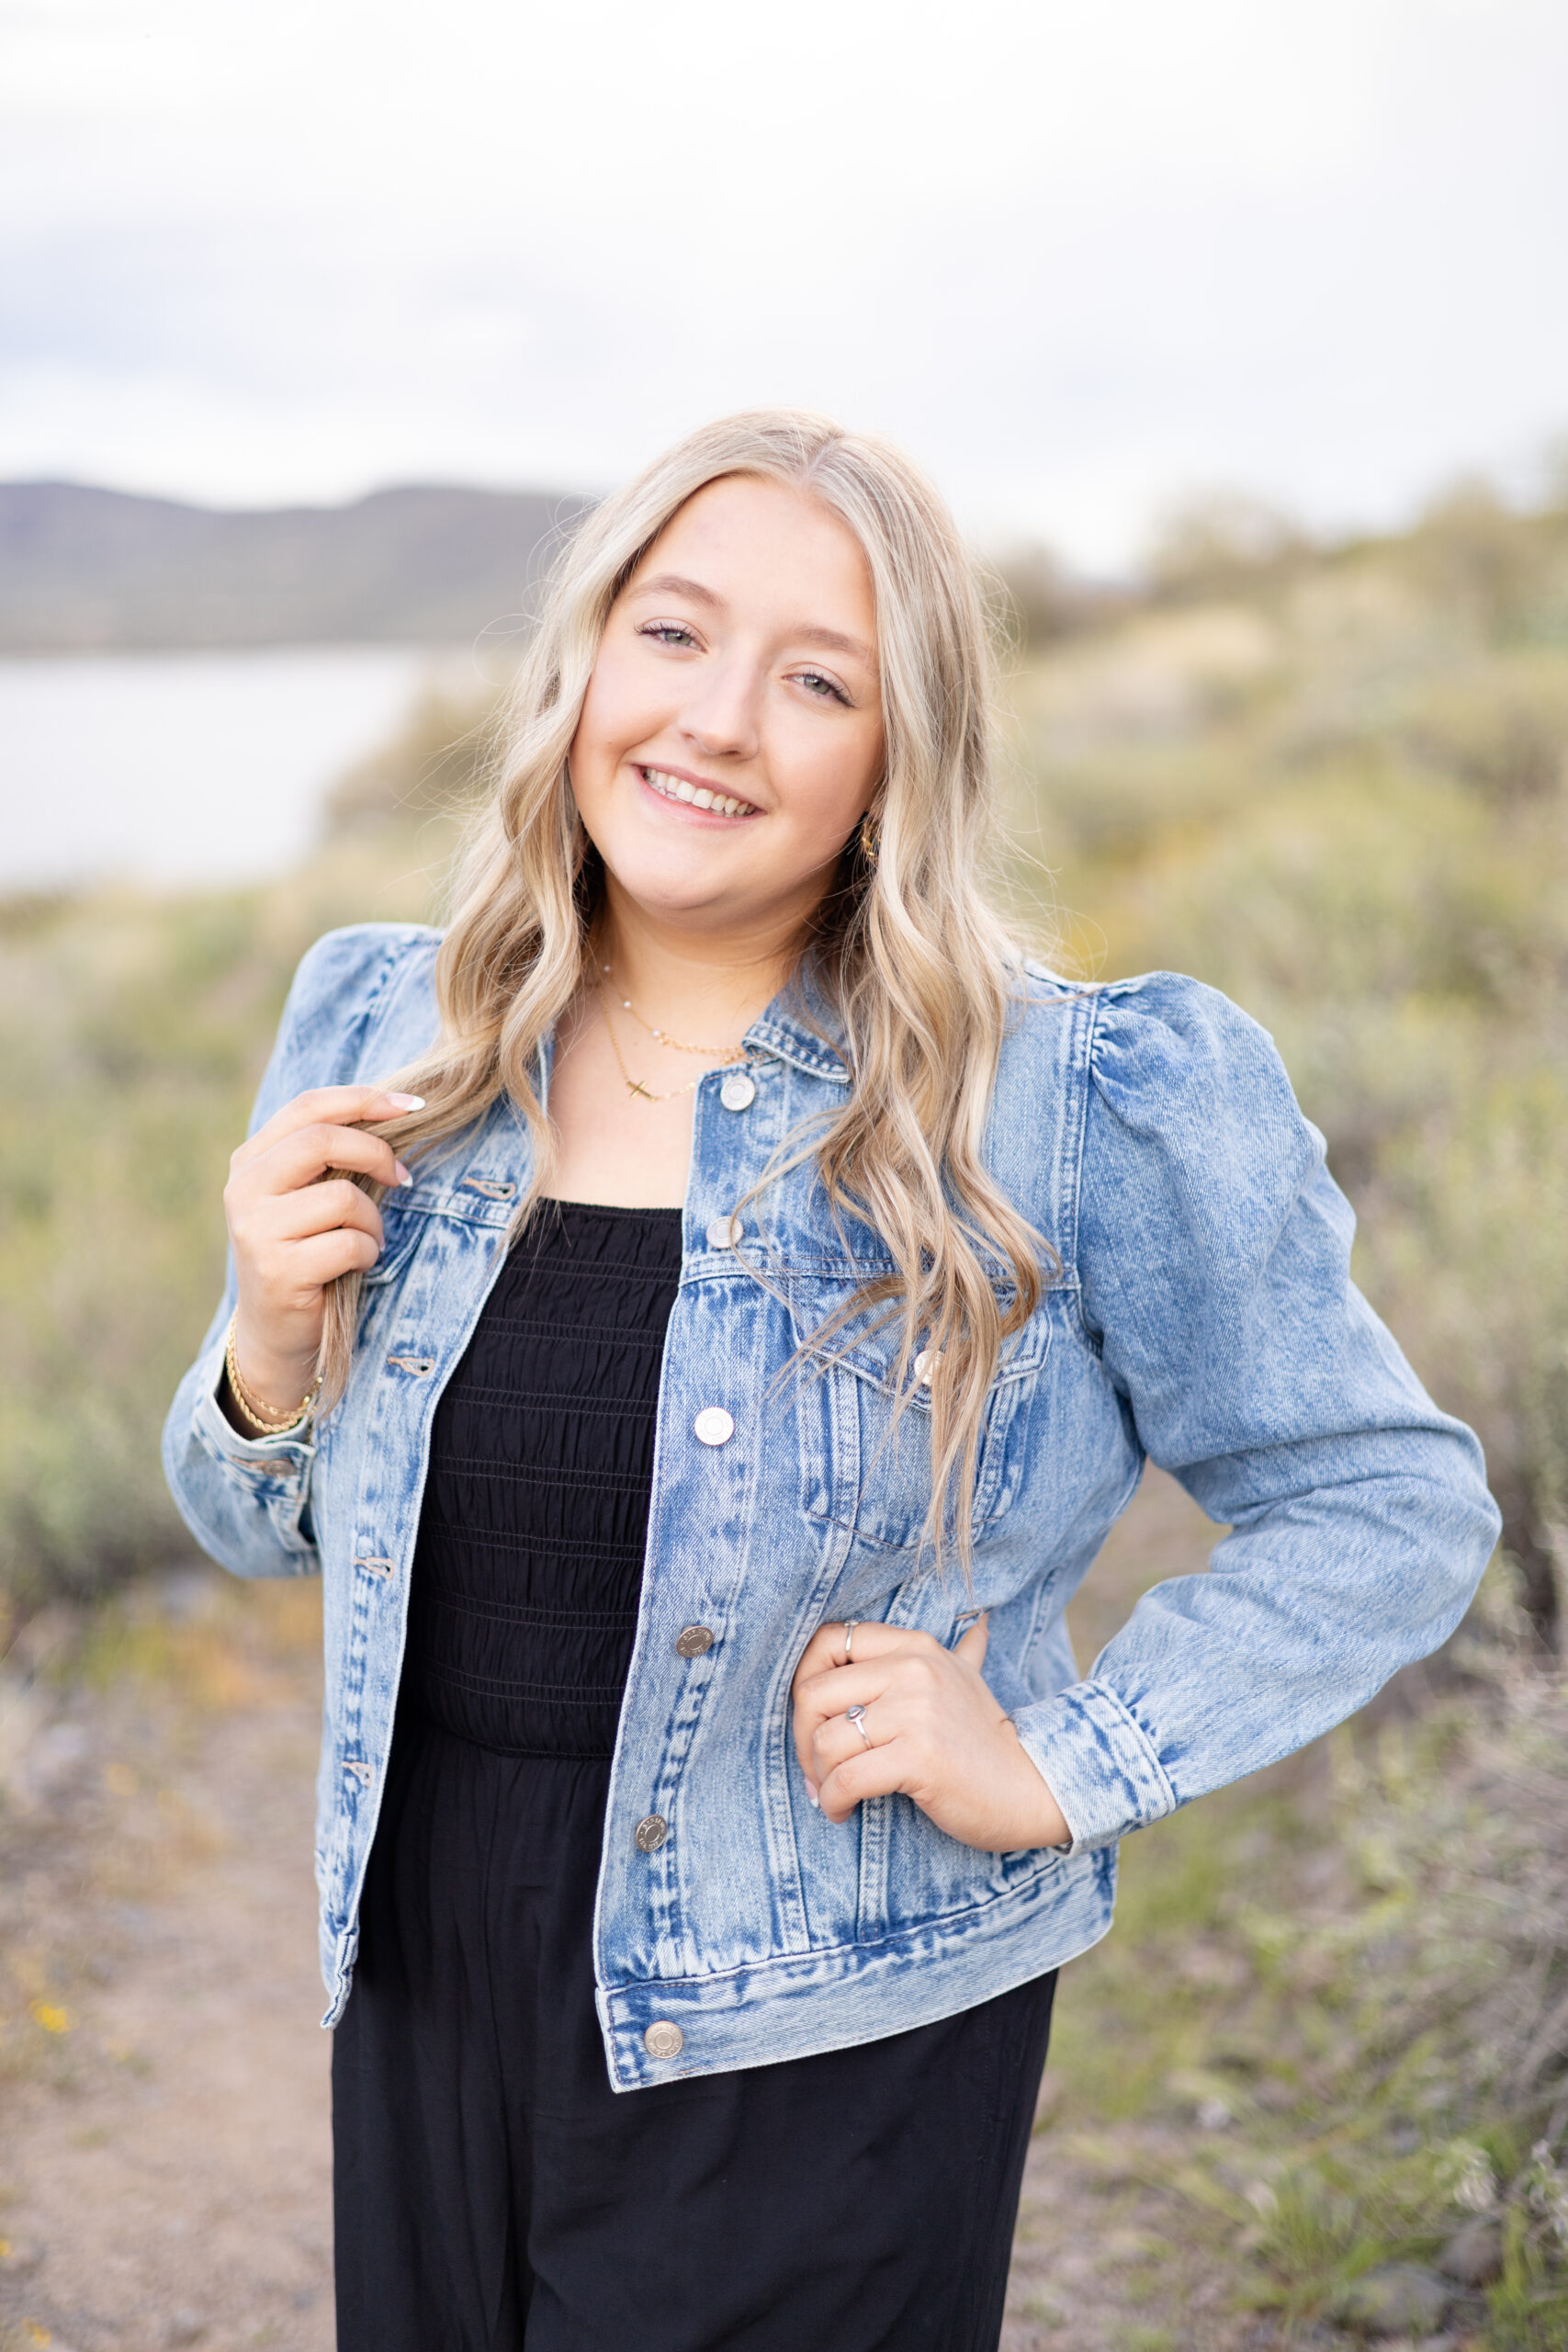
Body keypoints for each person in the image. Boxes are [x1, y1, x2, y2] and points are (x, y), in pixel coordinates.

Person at [163, 409, 1499, 2352]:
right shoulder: (389, 1021)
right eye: (675, 635)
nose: (716, 722)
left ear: (896, 758)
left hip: (828, 2014)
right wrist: (271, 1349)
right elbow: (252, 1521)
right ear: (585, 662)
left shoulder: (1070, 1102)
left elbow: (1385, 1499)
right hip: (426, 1965)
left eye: (817, 680)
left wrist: (1059, 1760)